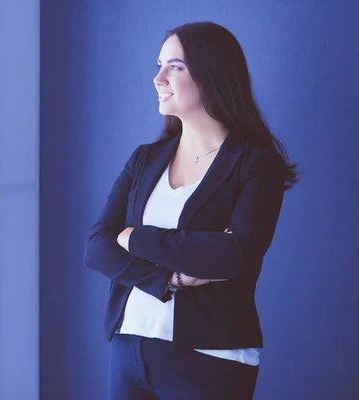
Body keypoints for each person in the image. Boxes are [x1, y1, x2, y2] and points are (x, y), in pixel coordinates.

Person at [83, 21, 299, 400]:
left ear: (211, 74)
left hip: (211, 356)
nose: (158, 78)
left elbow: (237, 255)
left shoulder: (254, 164)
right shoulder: (145, 159)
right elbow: (98, 247)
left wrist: (136, 237)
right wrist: (170, 280)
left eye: (175, 67)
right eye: (159, 65)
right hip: (129, 346)